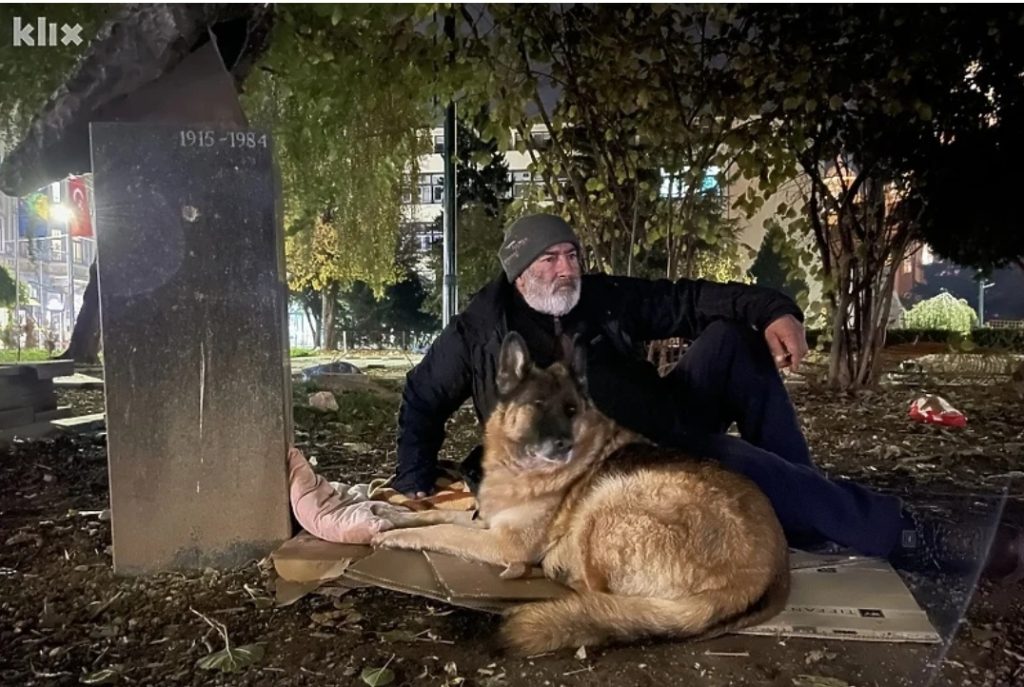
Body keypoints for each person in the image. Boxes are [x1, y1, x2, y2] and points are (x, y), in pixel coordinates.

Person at [393, 213, 1023, 581]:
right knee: (731, 463)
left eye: (571, 255)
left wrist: (775, 309)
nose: (566, 270)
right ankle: (902, 534)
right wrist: (414, 476)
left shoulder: (601, 296)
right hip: (587, 466)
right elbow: (422, 398)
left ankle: (805, 503)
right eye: (549, 260)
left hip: (650, 424)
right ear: (519, 271)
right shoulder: (478, 330)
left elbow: (689, 300)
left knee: (731, 339)